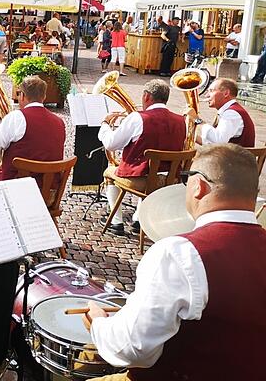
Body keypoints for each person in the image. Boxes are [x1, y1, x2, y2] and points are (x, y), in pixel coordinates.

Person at [84, 143, 266, 381]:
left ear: (198, 187)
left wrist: (97, 324)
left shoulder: (179, 253)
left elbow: (134, 349)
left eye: (186, 178)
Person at [98, 80, 185, 235]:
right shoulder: (181, 120)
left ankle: (116, 222)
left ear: (146, 96)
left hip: (141, 180)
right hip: (168, 180)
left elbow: (111, 144)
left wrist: (105, 124)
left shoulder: (137, 118)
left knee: (109, 172)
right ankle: (139, 219)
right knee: (151, 170)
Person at [0, 75, 65, 182]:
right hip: (49, 190)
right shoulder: (59, 122)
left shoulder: (16, 117)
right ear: (43, 97)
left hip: (16, 189)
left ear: (22, 96)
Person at [185, 78, 255, 147]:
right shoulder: (230, 111)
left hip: (234, 158)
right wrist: (190, 135)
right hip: (230, 156)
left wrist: (197, 120)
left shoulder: (232, 113)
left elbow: (219, 141)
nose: (207, 95)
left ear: (226, 93)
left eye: (211, 91)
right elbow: (215, 144)